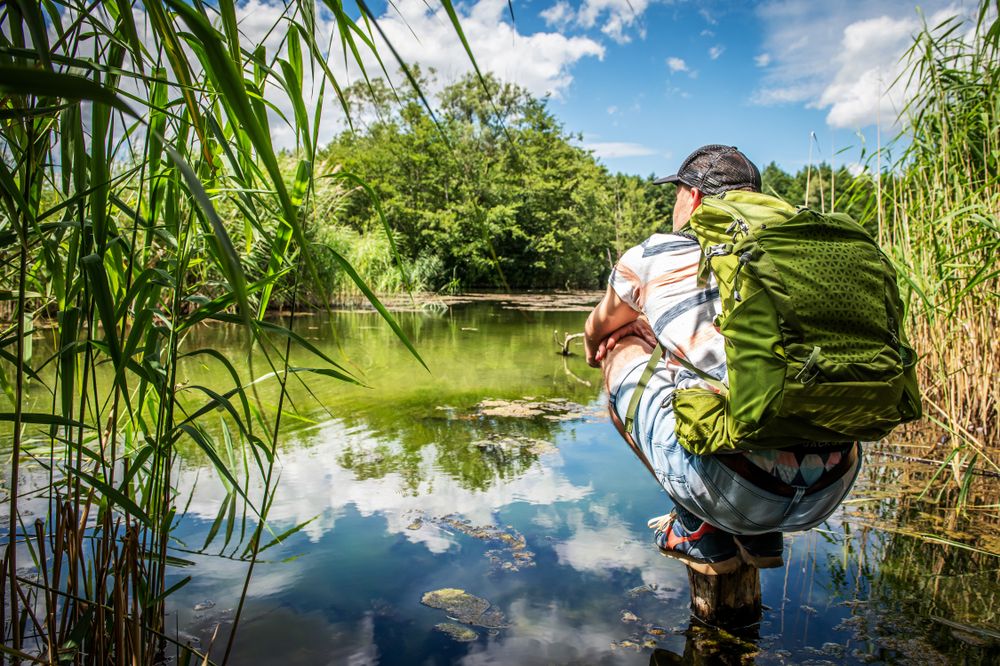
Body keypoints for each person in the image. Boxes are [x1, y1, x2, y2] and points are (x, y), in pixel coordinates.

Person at [584, 145, 861, 575]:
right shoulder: (798, 256)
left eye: (675, 193)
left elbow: (598, 328)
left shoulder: (656, 253)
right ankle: (759, 537)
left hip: (734, 490)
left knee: (619, 347)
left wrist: (607, 341)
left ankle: (698, 527)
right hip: (831, 488)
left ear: (692, 197)